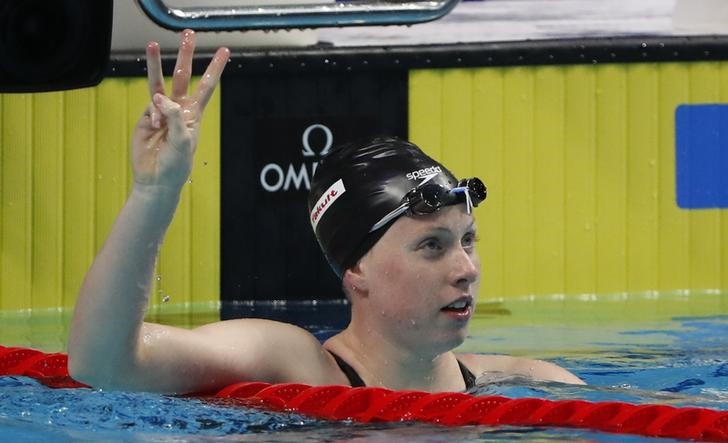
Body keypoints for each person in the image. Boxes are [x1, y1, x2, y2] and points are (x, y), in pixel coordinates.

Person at [68, 30, 584, 395]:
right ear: (356, 269)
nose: (466, 269)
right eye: (432, 246)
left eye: (466, 240)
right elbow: (105, 364)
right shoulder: (292, 364)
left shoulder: (532, 383)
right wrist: (154, 192)